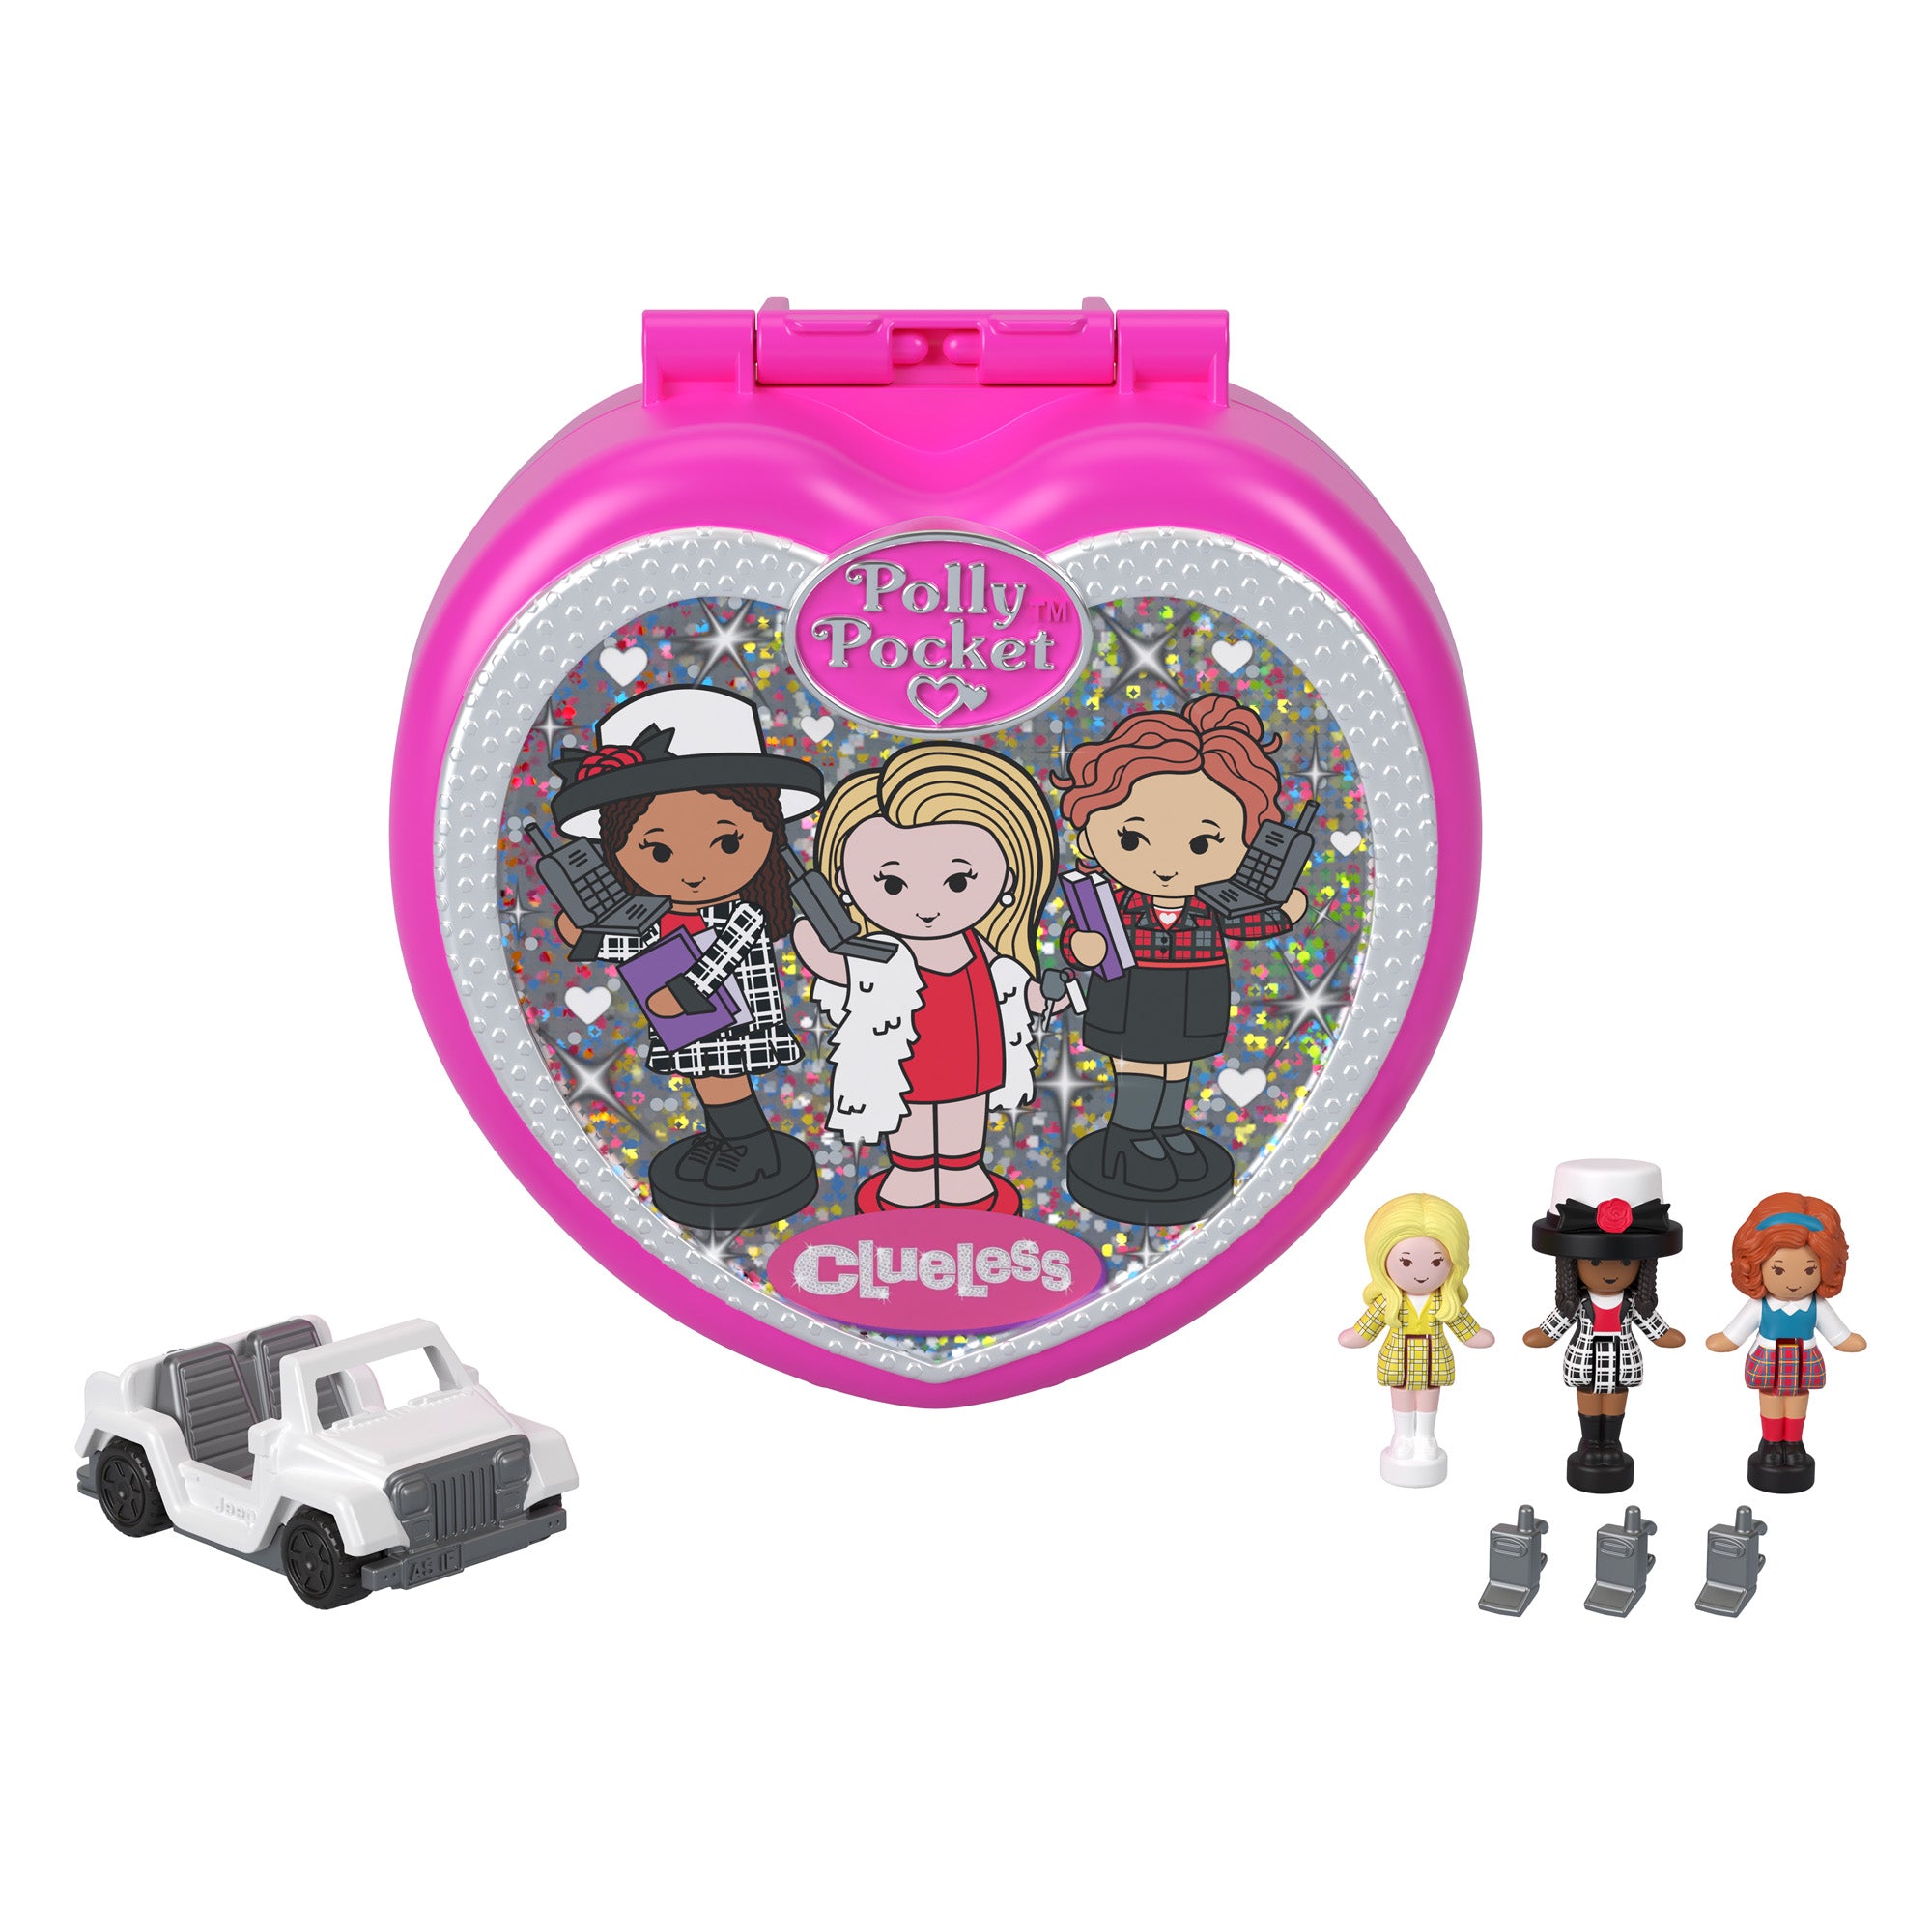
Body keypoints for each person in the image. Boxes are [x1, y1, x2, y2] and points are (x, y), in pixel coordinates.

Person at [547, 685, 825, 1211]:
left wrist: (685, 990)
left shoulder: (743, 913)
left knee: (725, 1078)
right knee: (706, 1080)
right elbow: (637, 943)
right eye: (658, 851)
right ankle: (725, 1139)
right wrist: (585, 934)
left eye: (728, 843)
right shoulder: (655, 911)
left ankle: (752, 1146)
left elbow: (724, 955)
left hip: (730, 1013)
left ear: (768, 830)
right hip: (688, 1018)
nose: (693, 872)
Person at [1051, 694, 1306, 1194]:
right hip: (1132, 989)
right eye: (1131, 839)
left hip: (1197, 989)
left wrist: (1284, 912)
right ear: (1090, 831)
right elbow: (1077, 933)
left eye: (1202, 844)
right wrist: (1082, 947)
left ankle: (1166, 1129)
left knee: (1177, 1064)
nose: (1167, 865)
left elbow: (1245, 925)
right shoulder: (1116, 899)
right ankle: (1129, 1135)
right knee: (1140, 1063)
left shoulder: (1212, 902)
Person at [795, 743, 1061, 1212]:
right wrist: (813, 941)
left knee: (965, 1115)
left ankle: (962, 1172)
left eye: (958, 882)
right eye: (892, 884)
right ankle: (911, 1172)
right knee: (911, 1116)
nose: (927, 907)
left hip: (975, 1055)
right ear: (844, 881)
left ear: (1008, 878)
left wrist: (1040, 996)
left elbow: (1013, 989)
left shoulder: (984, 950)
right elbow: (845, 973)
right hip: (907, 1059)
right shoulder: (881, 955)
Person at [1707, 1192, 1864, 1492]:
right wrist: (1725, 1340)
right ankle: (1770, 1442)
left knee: (1798, 1399)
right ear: (1756, 1265)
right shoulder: (1760, 1305)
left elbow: (1837, 1333)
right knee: (1770, 1397)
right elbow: (1736, 1333)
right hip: (1769, 1357)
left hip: (1804, 1358)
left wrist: (1846, 1340)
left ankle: (1793, 1443)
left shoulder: (1816, 1306)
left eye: (1809, 1270)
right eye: (1778, 1270)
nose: (1794, 1282)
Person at [1339, 1193, 1493, 1487]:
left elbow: (1463, 1325)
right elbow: (1368, 1326)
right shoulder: (1390, 1303)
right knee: (1401, 1393)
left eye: (1436, 1262)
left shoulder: (1444, 1302)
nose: (1422, 1274)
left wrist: (1476, 1335)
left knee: (1429, 1394)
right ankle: (1402, 1436)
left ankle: (1425, 1436)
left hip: (1434, 1358)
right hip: (1399, 1358)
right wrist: (1356, 1336)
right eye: (1406, 1263)